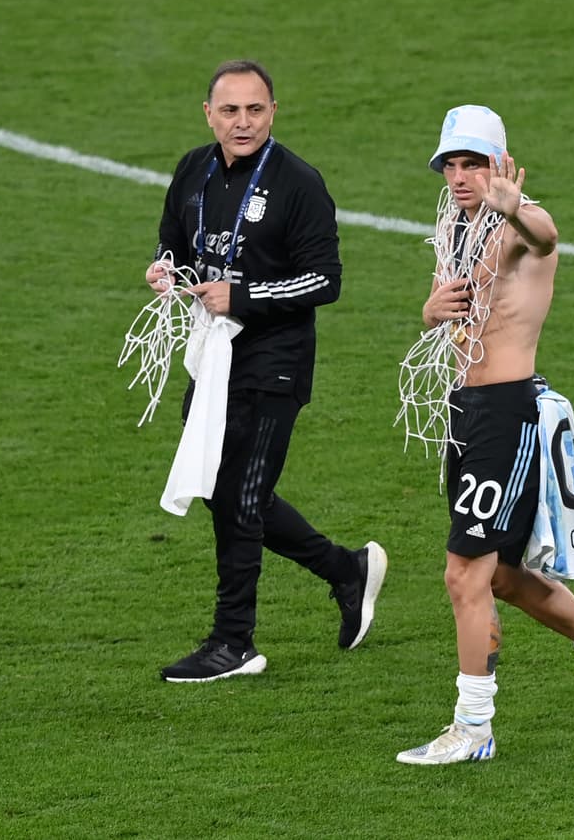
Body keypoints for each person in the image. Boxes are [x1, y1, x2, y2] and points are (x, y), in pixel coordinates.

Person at [395, 105, 574, 764]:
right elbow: (446, 307)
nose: (459, 176)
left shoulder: (512, 223)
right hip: (469, 412)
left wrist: (513, 206)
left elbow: (543, 235)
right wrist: (430, 311)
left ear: (499, 164)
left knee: (464, 575)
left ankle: (474, 727)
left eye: (472, 163)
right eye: (450, 164)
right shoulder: (455, 223)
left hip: (507, 415)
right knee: (502, 578)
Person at [144, 59, 386, 683]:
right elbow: (174, 239)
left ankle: (234, 642)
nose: (242, 122)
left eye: (254, 109)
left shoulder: (299, 181)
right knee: (226, 491)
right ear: (209, 114)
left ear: (273, 111)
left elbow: (325, 279)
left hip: (274, 363)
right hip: (213, 354)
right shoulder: (192, 170)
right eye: (230, 110)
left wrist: (243, 295)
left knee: (241, 496)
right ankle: (344, 570)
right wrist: (165, 270)